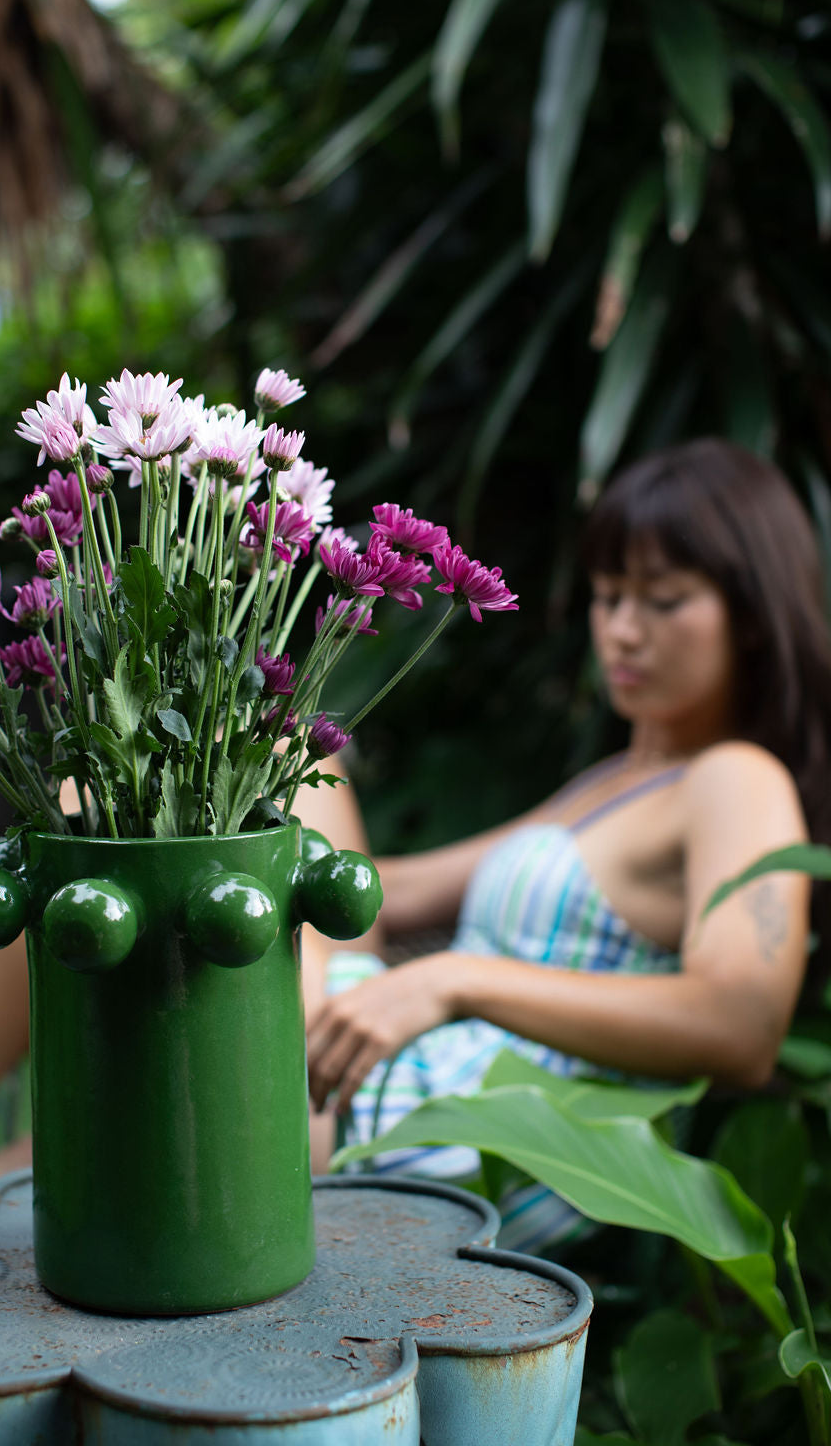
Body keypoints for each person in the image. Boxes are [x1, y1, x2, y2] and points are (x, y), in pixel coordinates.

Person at [304, 438, 831, 1248]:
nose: (622, 630)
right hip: (397, 1085)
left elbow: (740, 1024)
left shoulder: (738, 776)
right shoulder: (617, 781)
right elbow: (383, 894)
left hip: (472, 1144)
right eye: (609, 595)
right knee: (269, 759)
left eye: (664, 600)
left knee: (237, 775)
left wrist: (455, 981)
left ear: (753, 617)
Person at [0, 754, 379, 1204]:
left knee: (146, 783)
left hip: (331, 1073)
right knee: (259, 748)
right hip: (316, 1029)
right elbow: (397, 889)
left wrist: (450, 985)